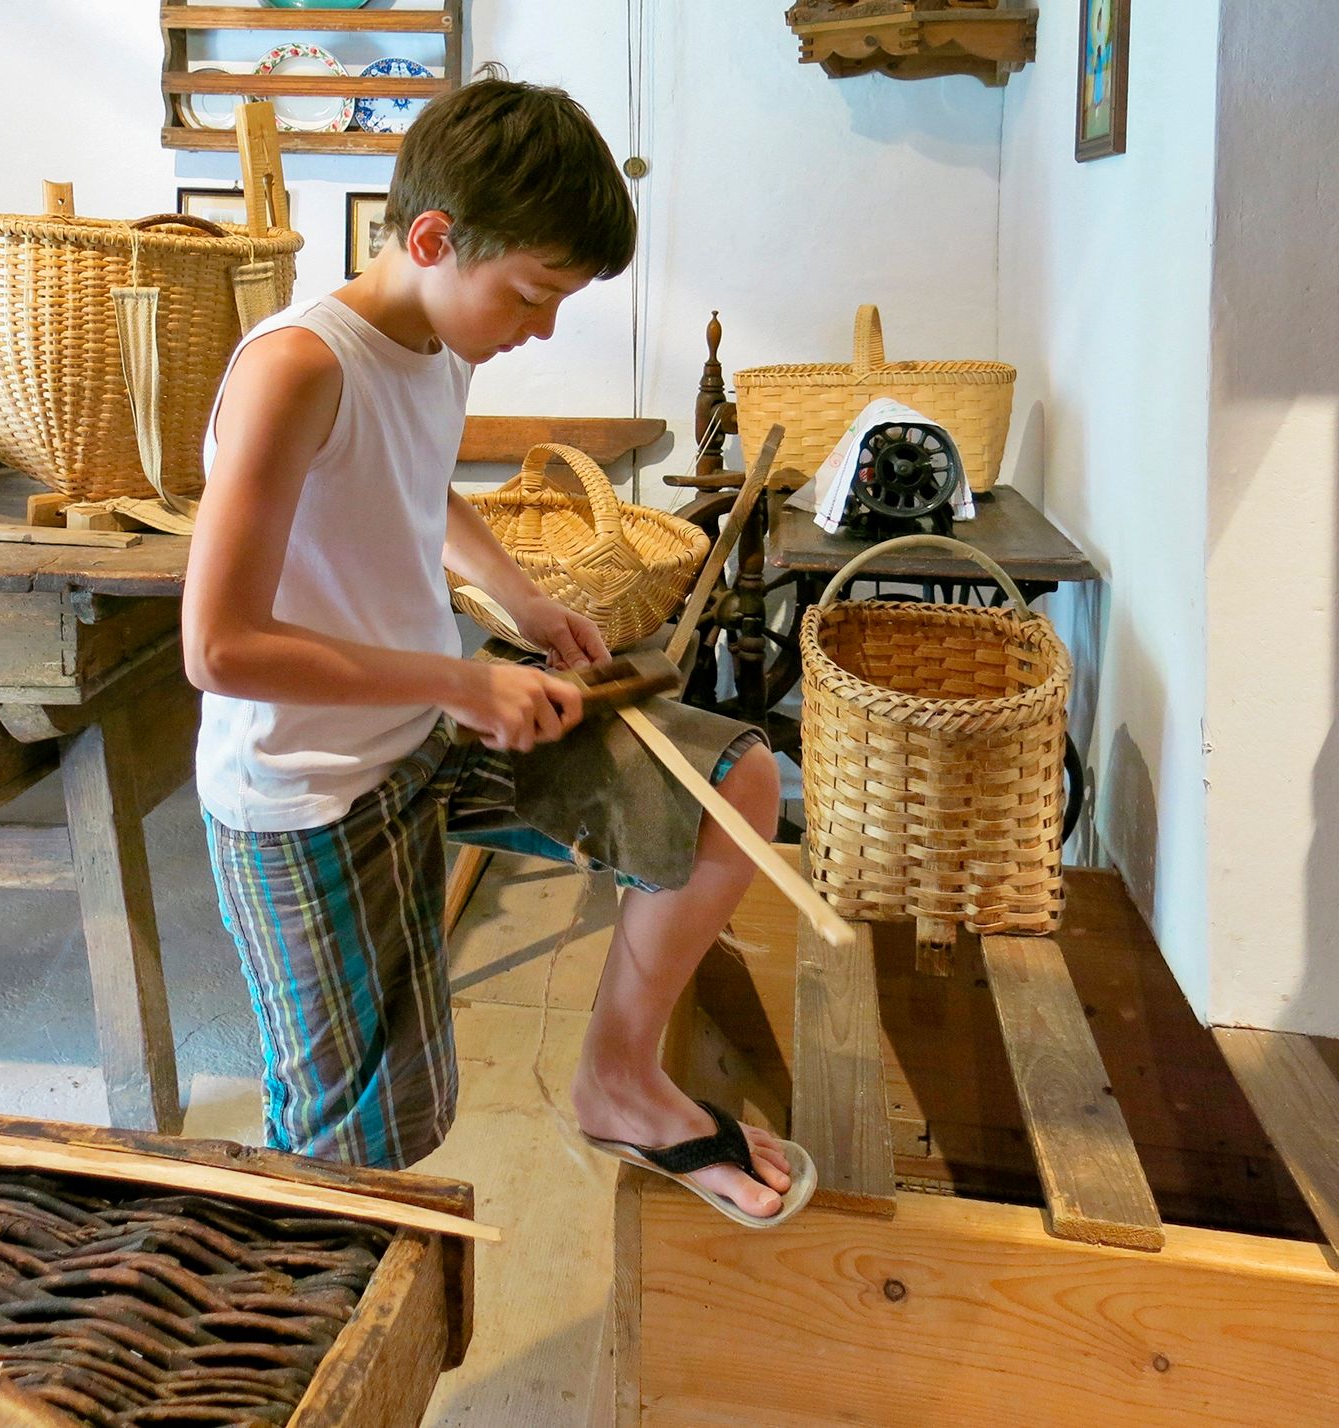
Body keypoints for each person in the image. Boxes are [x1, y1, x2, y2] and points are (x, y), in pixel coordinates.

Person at [183, 73, 815, 1226]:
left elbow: (415, 486)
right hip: (308, 791)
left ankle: (620, 1083)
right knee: (366, 1147)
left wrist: (515, 599)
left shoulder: (434, 337)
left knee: (735, 786)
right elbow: (218, 650)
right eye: (533, 293)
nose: (543, 327)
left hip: (422, 725)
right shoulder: (295, 368)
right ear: (433, 237)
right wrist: (463, 679)